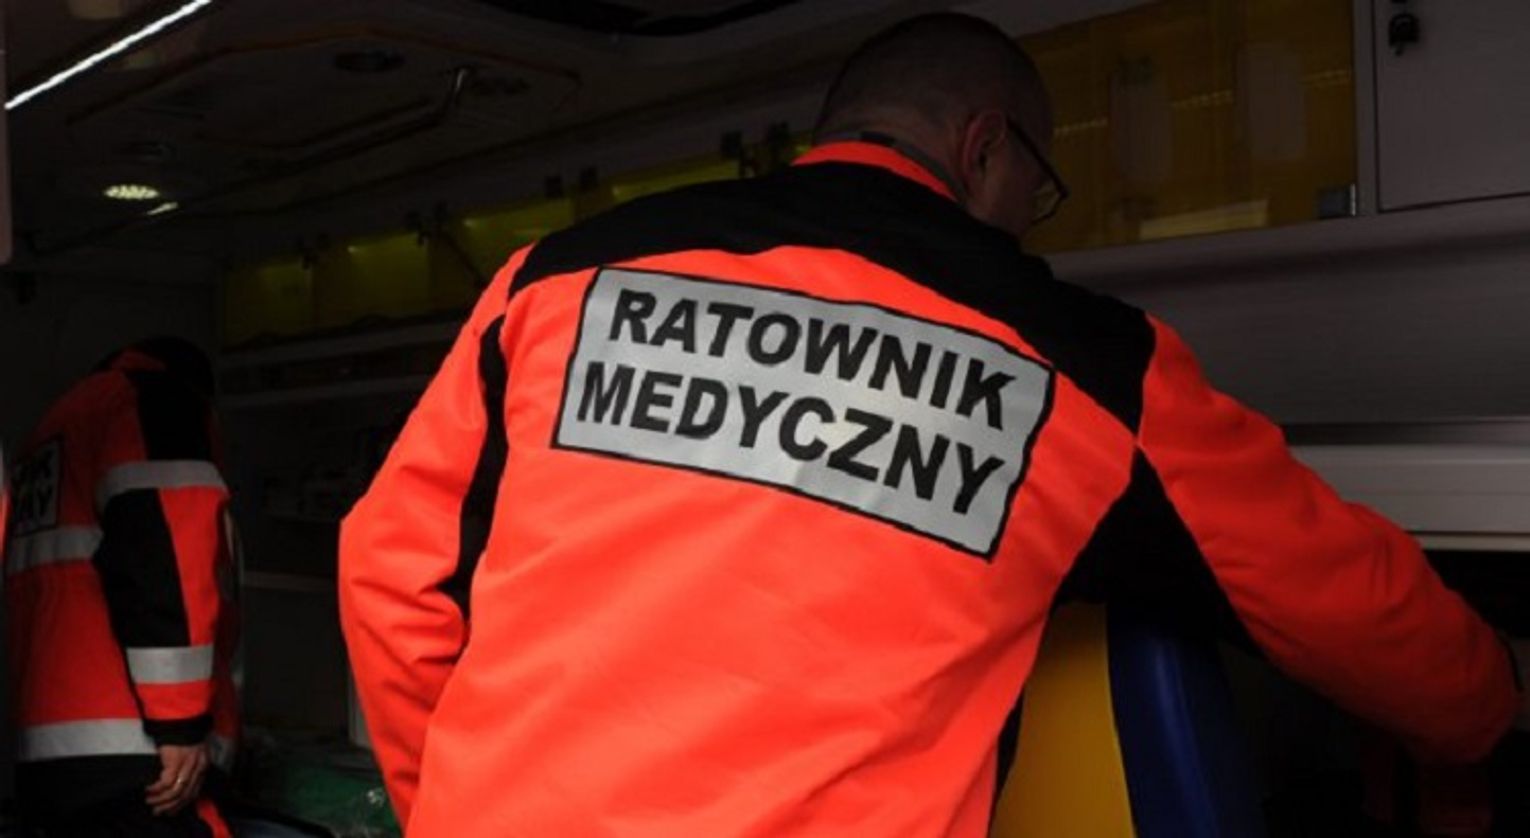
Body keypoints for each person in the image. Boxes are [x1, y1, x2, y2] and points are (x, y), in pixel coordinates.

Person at [339, 13, 1522, 836]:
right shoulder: (1084, 365)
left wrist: (455, 810)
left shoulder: (561, 275)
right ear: (985, 147)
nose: (1030, 217)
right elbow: (1346, 600)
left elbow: (391, 570)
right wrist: (1485, 712)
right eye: (1036, 189)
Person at [4, 337, 238, 837]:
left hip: (46, 753)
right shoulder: (151, 401)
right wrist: (180, 725)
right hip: (140, 753)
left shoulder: (53, 429)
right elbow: (166, 552)